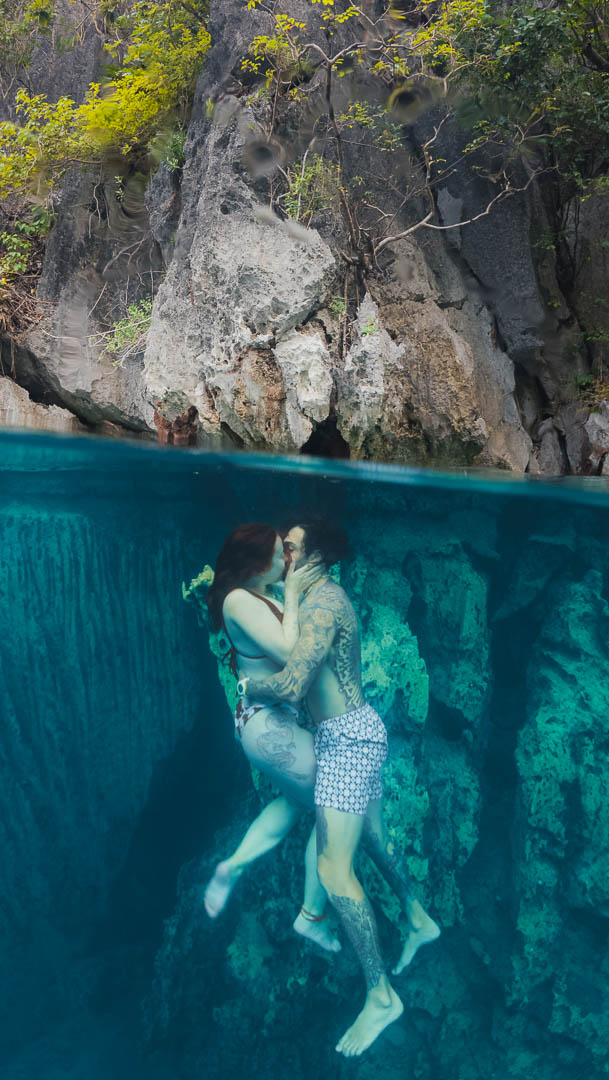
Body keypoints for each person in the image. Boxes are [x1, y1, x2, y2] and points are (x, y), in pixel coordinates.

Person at [238, 517, 440, 1058]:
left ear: (319, 556)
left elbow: (293, 684)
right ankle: (418, 918)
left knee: (332, 868)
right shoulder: (317, 600)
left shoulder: (324, 603)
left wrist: (245, 685)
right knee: (371, 835)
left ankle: (380, 995)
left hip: (348, 743)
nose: (285, 554)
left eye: (295, 548)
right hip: (346, 737)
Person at [202, 523, 340, 953]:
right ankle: (310, 917)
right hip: (266, 725)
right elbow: (289, 652)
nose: (288, 562)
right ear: (256, 562)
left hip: (272, 722)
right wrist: (295, 594)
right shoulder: (238, 601)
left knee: (300, 803)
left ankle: (233, 867)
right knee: (334, 802)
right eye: (281, 554)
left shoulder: (256, 597)